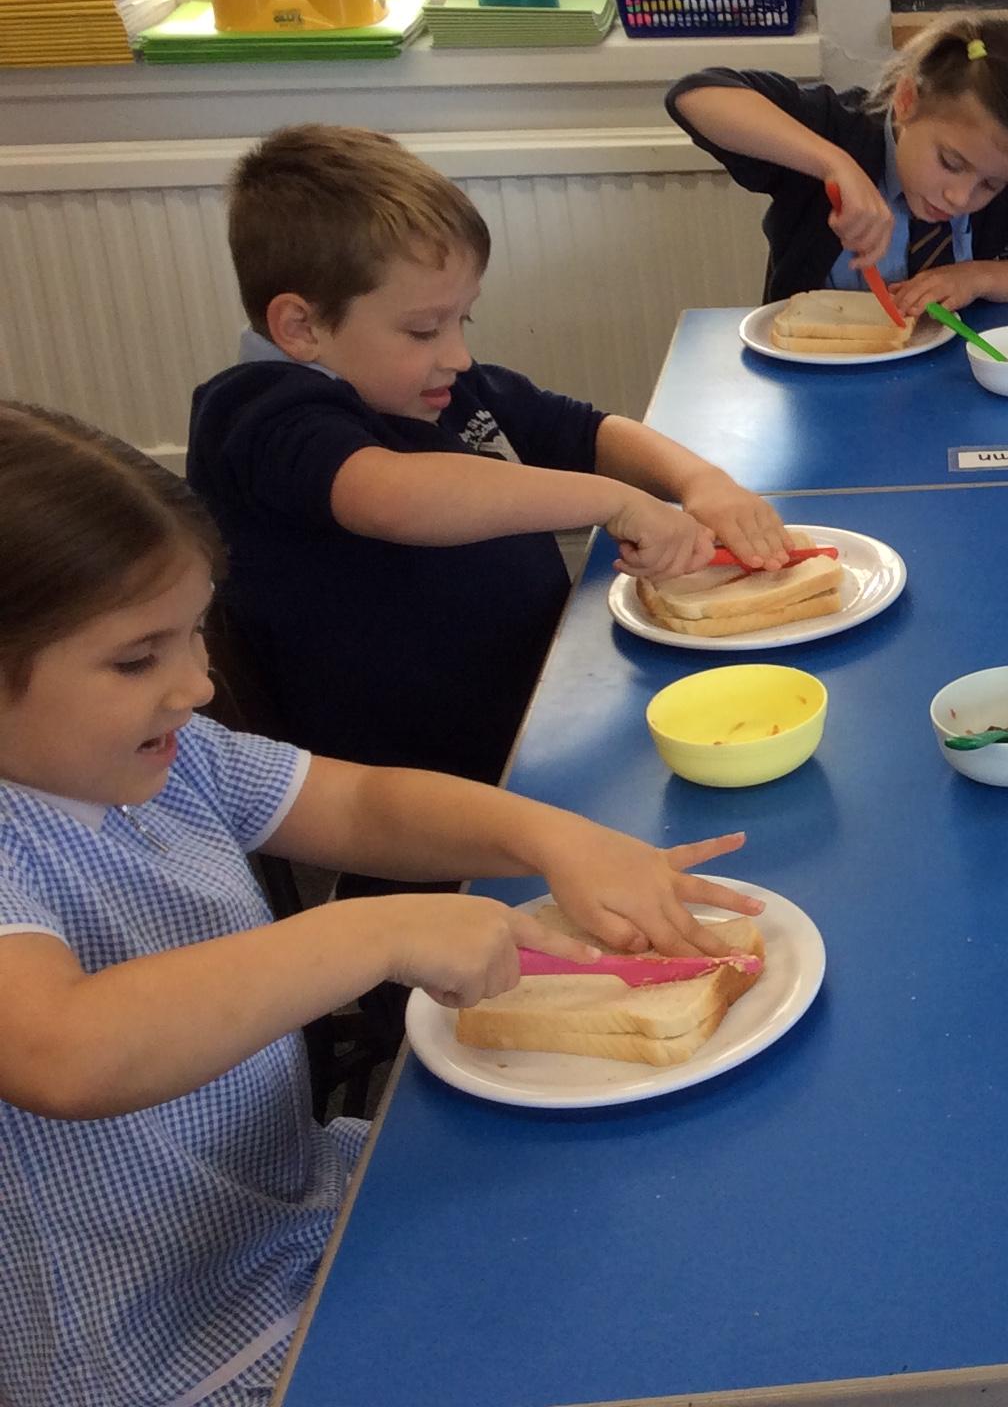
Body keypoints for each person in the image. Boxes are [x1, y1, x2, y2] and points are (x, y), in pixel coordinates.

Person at [0, 400, 760, 1407]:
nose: (196, 683)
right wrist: (377, 930)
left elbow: (358, 805)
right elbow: (63, 1050)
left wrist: (553, 837)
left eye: (194, 634)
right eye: (138, 658)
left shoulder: (169, 756)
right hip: (159, 1345)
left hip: (297, 1213)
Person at [188, 126, 789, 785]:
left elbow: (584, 430)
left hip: (541, 707)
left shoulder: (438, 384)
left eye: (461, 321)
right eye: (424, 329)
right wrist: (616, 503)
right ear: (300, 327)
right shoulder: (258, 413)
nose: (457, 354)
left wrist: (702, 481)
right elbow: (395, 496)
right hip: (420, 788)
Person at [668, 13, 1008, 308]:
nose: (960, 197)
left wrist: (979, 278)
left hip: (958, 387)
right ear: (907, 99)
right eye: (950, 163)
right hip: (818, 382)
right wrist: (834, 164)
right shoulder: (839, 129)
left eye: (991, 185)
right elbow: (695, 94)